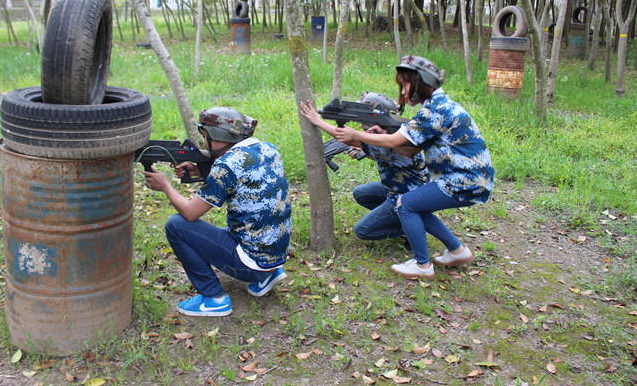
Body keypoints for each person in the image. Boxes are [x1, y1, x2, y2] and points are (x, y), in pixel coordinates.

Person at [335, 56, 494, 281]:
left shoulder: (435, 111)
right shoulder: (437, 107)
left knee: (406, 204)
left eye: (406, 84)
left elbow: (392, 143)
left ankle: (422, 265)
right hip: (471, 178)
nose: (403, 90)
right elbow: (409, 150)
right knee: (416, 204)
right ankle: (458, 251)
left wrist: (355, 135)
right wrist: (380, 135)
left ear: (422, 83)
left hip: (462, 180)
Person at [143, 107, 292, 316]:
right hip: (274, 253)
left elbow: (190, 213)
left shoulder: (226, 166)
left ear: (219, 136)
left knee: (176, 226)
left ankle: (215, 299)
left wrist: (166, 185)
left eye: (205, 137)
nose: (204, 143)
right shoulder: (268, 149)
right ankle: (268, 275)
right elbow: (243, 176)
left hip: (250, 264)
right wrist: (201, 171)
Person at [300, 92, 430, 241]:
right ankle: (403, 218)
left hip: (406, 197)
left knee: (363, 230)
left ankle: (412, 227)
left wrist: (318, 121)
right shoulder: (398, 134)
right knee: (361, 193)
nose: (362, 125)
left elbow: (347, 138)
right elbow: (384, 153)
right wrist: (365, 150)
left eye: (366, 121)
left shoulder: (389, 142)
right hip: (399, 189)